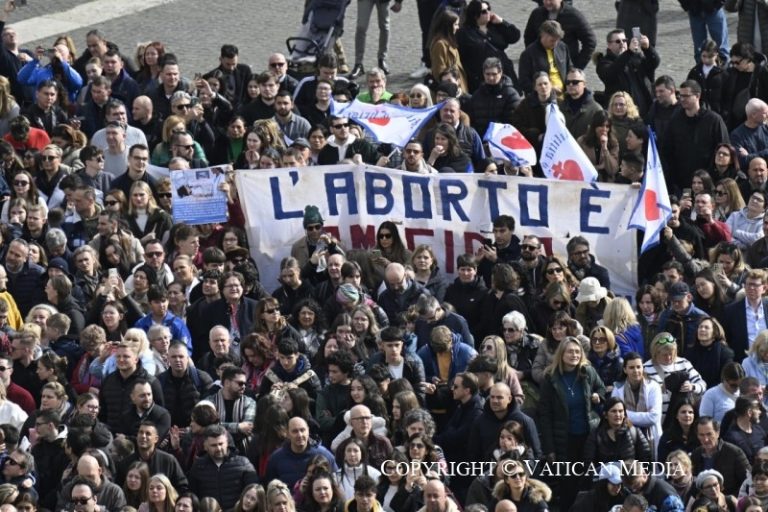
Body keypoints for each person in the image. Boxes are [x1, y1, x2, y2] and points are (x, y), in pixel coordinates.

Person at [537, 336, 606, 505]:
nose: (574, 355)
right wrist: (549, 448)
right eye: (570, 352)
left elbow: (601, 387)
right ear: (561, 354)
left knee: (589, 481)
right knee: (568, 485)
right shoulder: (550, 378)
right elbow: (544, 415)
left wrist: (598, 396)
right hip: (565, 440)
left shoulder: (588, 371)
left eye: (577, 351)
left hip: (588, 436)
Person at [663, 80, 729, 195]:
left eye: (686, 96)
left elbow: (724, 148)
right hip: (681, 182)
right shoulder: (675, 120)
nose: (682, 99)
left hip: (708, 181)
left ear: (697, 96)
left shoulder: (713, 120)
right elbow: (667, 149)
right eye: (680, 95)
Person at [189, 424, 258, 510]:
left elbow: (254, 491)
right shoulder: (198, 466)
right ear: (205, 446)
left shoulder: (243, 464)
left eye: (221, 444)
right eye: (213, 445)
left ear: (227, 443)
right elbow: (193, 496)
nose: (218, 448)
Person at [457, 1, 521, 93]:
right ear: (475, 15)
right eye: (484, 11)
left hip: (503, 72)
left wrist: (502, 22)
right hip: (480, 77)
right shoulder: (465, 33)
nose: (488, 13)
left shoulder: (495, 26)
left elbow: (515, 36)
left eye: (488, 9)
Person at [594, 28, 660, 117]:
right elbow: (611, 73)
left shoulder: (635, 57)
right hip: (623, 113)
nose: (622, 43)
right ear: (609, 45)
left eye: (624, 40)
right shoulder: (604, 63)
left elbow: (654, 63)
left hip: (646, 110)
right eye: (618, 41)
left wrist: (648, 49)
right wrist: (628, 53)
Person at [611, 352, 663, 456]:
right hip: (625, 438)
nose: (636, 371)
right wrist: (644, 416)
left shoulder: (653, 386)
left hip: (651, 436)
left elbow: (654, 417)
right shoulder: (618, 388)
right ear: (625, 370)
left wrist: (625, 415)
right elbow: (613, 415)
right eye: (631, 367)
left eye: (638, 367)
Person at [691, 416, 752, 495]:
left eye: (709, 434)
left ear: (717, 433)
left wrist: (731, 498)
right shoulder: (696, 454)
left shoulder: (734, 452)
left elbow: (748, 481)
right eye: (701, 435)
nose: (706, 439)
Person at [583, 396, 652, 465]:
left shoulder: (634, 432)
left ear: (624, 414)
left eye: (620, 411)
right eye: (613, 411)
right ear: (605, 415)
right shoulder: (596, 435)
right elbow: (588, 463)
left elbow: (646, 459)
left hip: (629, 471)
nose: (618, 414)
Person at [517, 20, 570, 95]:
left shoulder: (562, 47)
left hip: (565, 96)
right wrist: (547, 89)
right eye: (552, 41)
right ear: (543, 35)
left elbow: (570, 68)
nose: (555, 44)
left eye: (557, 40)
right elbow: (524, 82)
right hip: (541, 98)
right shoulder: (528, 54)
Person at [429, 10, 468, 94]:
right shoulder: (440, 45)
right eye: (455, 24)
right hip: (449, 90)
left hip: (457, 84)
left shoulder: (448, 40)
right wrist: (451, 88)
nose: (458, 27)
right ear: (448, 26)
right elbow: (439, 72)